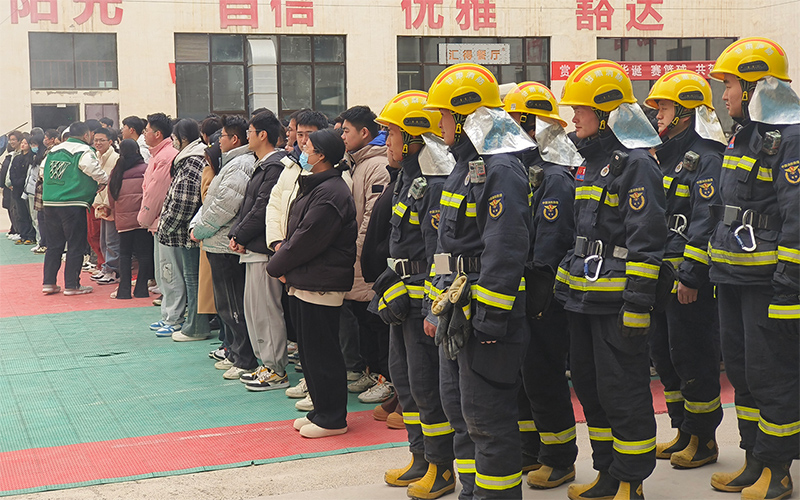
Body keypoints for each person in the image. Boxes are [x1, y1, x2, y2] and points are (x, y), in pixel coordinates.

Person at [555, 60, 667, 500]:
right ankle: (607, 471)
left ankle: (631, 479)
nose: (573, 118)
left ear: (604, 113)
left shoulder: (636, 165)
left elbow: (647, 239)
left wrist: (638, 305)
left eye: (580, 109)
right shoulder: (590, 164)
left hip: (618, 303)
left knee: (623, 391)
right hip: (584, 301)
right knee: (590, 387)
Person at [423, 63, 533, 500]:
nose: (441, 123)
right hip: (458, 316)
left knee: (488, 422)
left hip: (487, 323)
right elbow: (445, 248)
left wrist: (486, 321)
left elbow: (504, 250)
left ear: (468, 115)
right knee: (462, 415)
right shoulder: (464, 166)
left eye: (446, 114)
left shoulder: (501, 169)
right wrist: (439, 309)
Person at [706, 38, 799, 500]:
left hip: (768, 283)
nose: (724, 95)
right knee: (742, 374)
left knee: (771, 376)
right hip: (734, 278)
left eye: (730, 85)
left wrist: (789, 282)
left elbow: (797, 214)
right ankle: (753, 460)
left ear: (756, 83)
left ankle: (777, 472)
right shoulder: (743, 135)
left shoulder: (792, 137)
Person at [372, 91, 456, 498]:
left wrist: (430, 305)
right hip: (401, 302)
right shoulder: (407, 177)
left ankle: (441, 467)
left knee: (427, 387)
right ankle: (419, 457)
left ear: (413, 138)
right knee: (405, 383)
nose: (384, 140)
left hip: (420, 306)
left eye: (390, 133)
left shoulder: (436, 185)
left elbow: (440, 254)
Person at [642, 70, 726, 471]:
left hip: (687, 283)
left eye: (664, 107)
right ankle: (682, 429)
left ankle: (704, 437)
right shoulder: (666, 155)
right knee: (666, 355)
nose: (658, 114)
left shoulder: (707, 157)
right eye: (657, 107)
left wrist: (691, 275)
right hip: (662, 279)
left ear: (686, 112)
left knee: (693, 357)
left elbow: (704, 222)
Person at [504, 81, 581, 489]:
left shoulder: (554, 178)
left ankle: (558, 456)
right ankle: (529, 448)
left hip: (543, 291)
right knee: (522, 373)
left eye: (515, 121)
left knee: (543, 374)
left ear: (532, 125)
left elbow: (548, 244)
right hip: (523, 287)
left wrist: (532, 284)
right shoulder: (522, 170)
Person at [267, 128, 357, 439]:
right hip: (305, 279)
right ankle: (320, 410)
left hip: (321, 281)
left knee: (323, 353)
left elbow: (308, 239)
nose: (303, 148)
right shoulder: (317, 186)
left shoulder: (332, 192)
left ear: (322, 155)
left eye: (309, 145)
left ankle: (333, 417)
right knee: (308, 351)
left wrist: (278, 264)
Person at [228, 110, 291, 391]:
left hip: (264, 249)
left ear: (262, 135)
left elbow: (262, 208)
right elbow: (248, 206)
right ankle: (265, 364)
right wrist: (236, 234)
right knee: (254, 311)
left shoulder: (274, 167)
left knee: (266, 311)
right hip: (252, 247)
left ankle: (275, 369)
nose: (247, 137)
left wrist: (241, 234)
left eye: (250, 132)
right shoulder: (262, 165)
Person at [266, 110, 325, 409]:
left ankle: (321, 392)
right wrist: (277, 243)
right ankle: (311, 380)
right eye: (298, 134)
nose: (301, 141)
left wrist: (288, 256)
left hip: (306, 263)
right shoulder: (289, 166)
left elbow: (311, 227)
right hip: (287, 254)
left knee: (320, 337)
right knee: (301, 327)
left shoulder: (328, 173)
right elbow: (275, 204)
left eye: (307, 135)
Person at [190, 115, 257, 376]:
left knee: (234, 306)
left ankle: (244, 359)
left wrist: (201, 229)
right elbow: (211, 202)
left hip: (225, 244)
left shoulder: (240, 165)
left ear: (235, 139)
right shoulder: (232, 163)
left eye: (224, 137)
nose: (220, 141)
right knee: (227, 307)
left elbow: (224, 206)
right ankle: (236, 353)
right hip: (217, 242)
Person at [339, 105, 393, 402]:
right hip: (357, 260)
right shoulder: (357, 163)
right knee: (363, 319)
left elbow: (372, 218)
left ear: (364, 132)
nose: (343, 136)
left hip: (368, 260)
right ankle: (374, 371)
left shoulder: (377, 165)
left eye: (347, 130)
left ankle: (387, 377)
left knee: (376, 321)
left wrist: (357, 254)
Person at [156, 119, 212, 341]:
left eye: (174, 137)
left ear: (183, 138)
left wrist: (166, 226)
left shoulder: (191, 162)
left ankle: (195, 327)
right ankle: (193, 323)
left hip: (190, 233)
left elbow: (184, 201)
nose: (171, 141)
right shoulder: (191, 159)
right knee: (193, 280)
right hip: (189, 231)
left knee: (193, 280)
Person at [41, 122, 109, 295]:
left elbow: (42, 172)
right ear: (86, 135)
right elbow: (92, 169)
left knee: (54, 245)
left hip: (50, 202)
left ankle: (49, 283)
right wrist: (104, 180)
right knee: (75, 244)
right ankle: (72, 284)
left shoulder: (53, 150)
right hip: (73, 202)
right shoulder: (84, 150)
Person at [139, 113, 179, 332]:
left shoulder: (166, 156)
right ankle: (168, 315)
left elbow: (156, 193)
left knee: (170, 272)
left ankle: (174, 318)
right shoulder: (158, 155)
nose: (144, 134)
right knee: (163, 273)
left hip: (162, 222)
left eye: (147, 130)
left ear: (158, 134)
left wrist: (143, 218)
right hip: (157, 223)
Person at [108, 139, 153, 299]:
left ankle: (124, 291)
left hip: (123, 220)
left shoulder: (117, 170)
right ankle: (141, 289)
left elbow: (111, 196)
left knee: (125, 254)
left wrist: (116, 213)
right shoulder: (146, 169)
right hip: (143, 218)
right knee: (144, 254)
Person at [91, 127, 121, 285]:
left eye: (101, 140)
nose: (98, 143)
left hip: (110, 204)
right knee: (103, 239)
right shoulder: (96, 157)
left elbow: (114, 185)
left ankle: (113, 271)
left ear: (110, 142)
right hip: (100, 203)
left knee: (111, 240)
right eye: (95, 140)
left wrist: (108, 204)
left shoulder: (115, 158)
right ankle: (106, 268)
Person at [9, 135, 38, 245]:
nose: (23, 145)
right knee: (20, 213)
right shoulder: (17, 157)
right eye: (22, 143)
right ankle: (23, 234)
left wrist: (21, 182)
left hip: (26, 188)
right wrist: (14, 182)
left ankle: (30, 236)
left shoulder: (32, 158)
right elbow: (12, 171)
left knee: (28, 213)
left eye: (25, 143)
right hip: (16, 189)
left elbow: (28, 174)